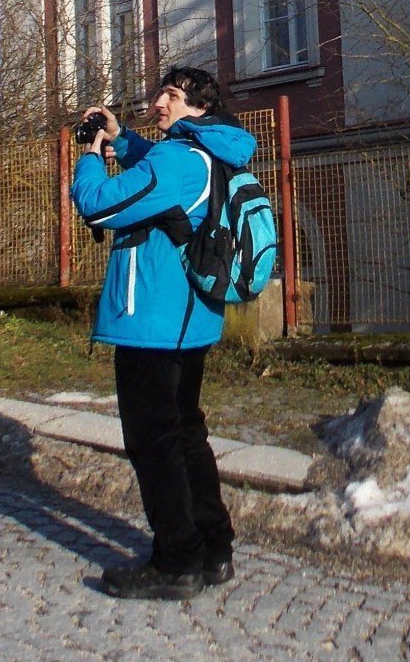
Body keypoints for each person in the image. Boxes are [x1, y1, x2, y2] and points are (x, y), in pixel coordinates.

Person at [71, 64, 256, 600]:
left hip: (153, 322)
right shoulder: (211, 154)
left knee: (154, 442)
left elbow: (98, 205)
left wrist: (91, 153)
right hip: (189, 321)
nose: (159, 103)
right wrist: (119, 136)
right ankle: (214, 548)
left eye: (171, 96)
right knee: (185, 435)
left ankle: (176, 561)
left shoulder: (178, 159)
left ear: (199, 109)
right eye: (158, 94)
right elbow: (155, 171)